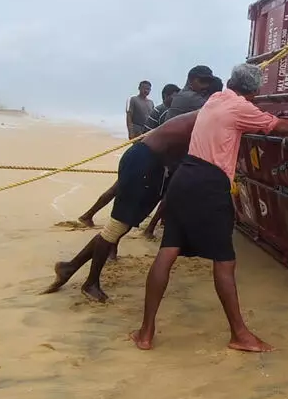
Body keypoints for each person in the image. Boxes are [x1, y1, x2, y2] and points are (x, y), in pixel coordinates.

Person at [131, 64, 288, 352]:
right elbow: (281, 127)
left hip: (184, 178)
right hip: (209, 184)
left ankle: (145, 333)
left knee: (168, 252)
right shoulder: (242, 108)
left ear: (230, 82)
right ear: (254, 91)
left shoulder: (216, 99)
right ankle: (240, 335)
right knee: (224, 260)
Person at [43, 111, 200, 302]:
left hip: (148, 161)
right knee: (116, 226)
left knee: (120, 227)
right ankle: (90, 283)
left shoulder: (202, 114)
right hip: (144, 161)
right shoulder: (208, 117)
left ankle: (69, 267)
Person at [77, 69, 216, 230]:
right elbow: (140, 124)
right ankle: (97, 220)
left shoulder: (157, 105)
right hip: (147, 152)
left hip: (149, 152)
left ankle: (93, 217)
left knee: (124, 189)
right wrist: (131, 134)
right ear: (167, 96)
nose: (205, 87)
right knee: (124, 190)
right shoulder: (163, 109)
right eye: (203, 82)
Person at [141, 75, 224, 239]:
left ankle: (156, 225)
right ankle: (151, 227)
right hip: (169, 155)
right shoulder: (201, 105)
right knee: (166, 193)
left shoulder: (184, 101)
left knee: (167, 193)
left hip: (168, 153)